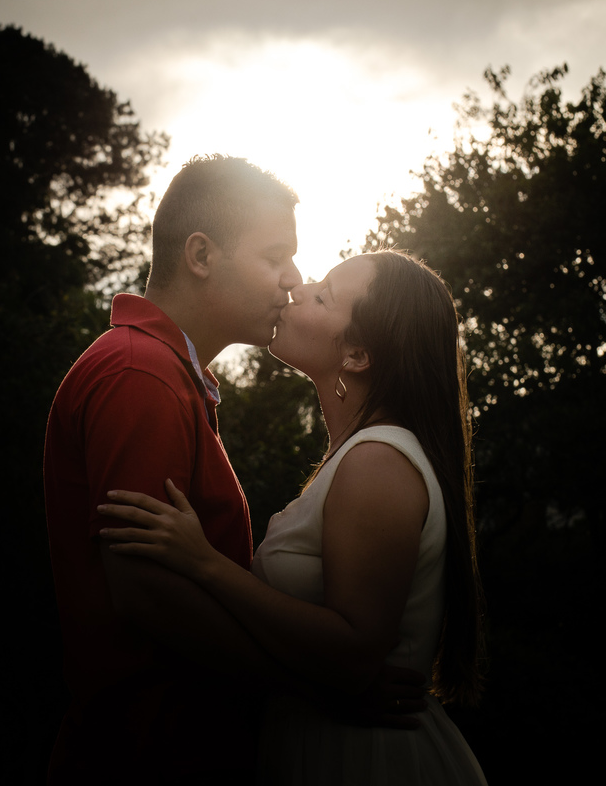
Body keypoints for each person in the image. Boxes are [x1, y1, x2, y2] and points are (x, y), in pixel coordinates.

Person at [44, 157, 422, 785]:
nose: (293, 279)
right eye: (275, 257)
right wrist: (315, 687)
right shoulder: (140, 373)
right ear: (201, 255)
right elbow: (146, 592)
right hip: (146, 755)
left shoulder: (168, 373)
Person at [99, 250, 488, 784]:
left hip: (366, 760)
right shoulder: (360, 455)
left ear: (356, 355)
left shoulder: (377, 462)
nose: (298, 287)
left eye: (322, 295)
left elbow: (354, 652)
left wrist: (205, 564)